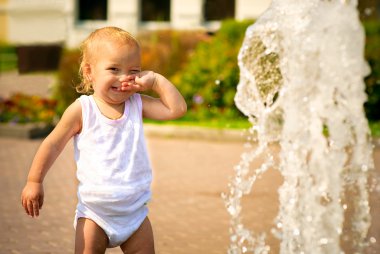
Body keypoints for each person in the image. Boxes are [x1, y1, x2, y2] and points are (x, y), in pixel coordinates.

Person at [21, 26, 187, 253]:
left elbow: (176, 109)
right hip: (95, 214)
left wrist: (156, 80)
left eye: (133, 70)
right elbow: (53, 144)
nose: (124, 78)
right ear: (89, 72)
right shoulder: (83, 109)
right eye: (113, 69)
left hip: (135, 213)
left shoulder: (137, 104)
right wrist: (34, 180)